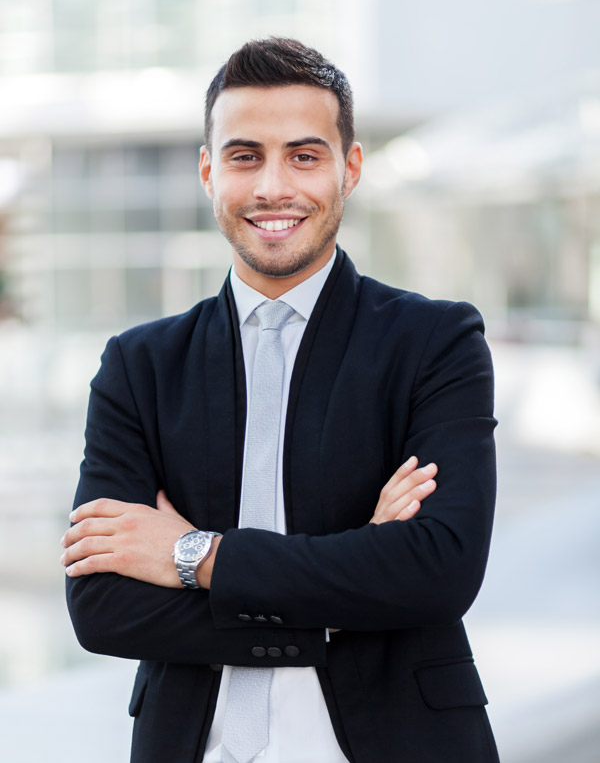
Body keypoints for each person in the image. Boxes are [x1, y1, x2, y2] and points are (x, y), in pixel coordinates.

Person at [62, 37, 499, 763]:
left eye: (304, 155)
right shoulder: (139, 365)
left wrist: (186, 552)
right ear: (208, 171)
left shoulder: (436, 341)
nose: (272, 186)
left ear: (348, 168)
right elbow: (103, 607)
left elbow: (437, 568)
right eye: (243, 156)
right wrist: (348, 584)